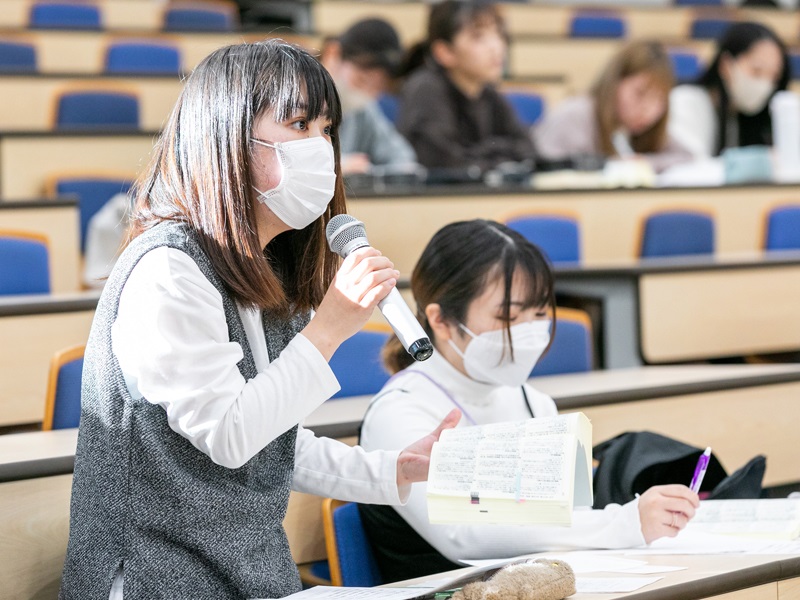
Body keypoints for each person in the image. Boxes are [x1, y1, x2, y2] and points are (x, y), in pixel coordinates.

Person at [59, 40, 459, 600]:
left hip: (242, 569)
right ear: (227, 136)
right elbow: (229, 435)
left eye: (326, 129)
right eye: (299, 124)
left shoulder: (263, 267)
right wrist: (330, 326)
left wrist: (397, 469)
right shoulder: (167, 269)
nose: (321, 147)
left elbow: (272, 441)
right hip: (157, 576)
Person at [358, 220, 700, 583]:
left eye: (538, 314)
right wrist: (622, 524)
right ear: (441, 320)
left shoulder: (531, 400)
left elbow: (566, 518)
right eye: (508, 315)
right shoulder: (399, 411)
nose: (528, 331)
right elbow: (463, 534)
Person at [396, 0, 535, 172]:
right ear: (444, 52)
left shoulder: (488, 93)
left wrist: (484, 153)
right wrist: (498, 154)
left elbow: (528, 149)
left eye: (499, 34)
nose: (496, 47)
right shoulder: (425, 89)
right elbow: (444, 163)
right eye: (478, 37)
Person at [533, 40, 692, 173]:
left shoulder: (641, 129)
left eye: (659, 100)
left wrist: (641, 163)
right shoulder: (575, 115)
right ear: (615, 82)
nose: (649, 110)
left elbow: (687, 158)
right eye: (640, 94)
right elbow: (543, 170)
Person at [669, 22, 790, 158]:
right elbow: (689, 164)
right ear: (725, 65)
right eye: (756, 71)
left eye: (774, 77)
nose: (765, 84)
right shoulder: (686, 102)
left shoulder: (738, 116)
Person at [319, 18, 418, 174]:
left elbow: (403, 158)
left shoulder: (363, 110)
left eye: (378, 87)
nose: (368, 93)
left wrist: (371, 172)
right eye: (361, 80)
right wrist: (334, 166)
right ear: (333, 53)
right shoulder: (295, 100)